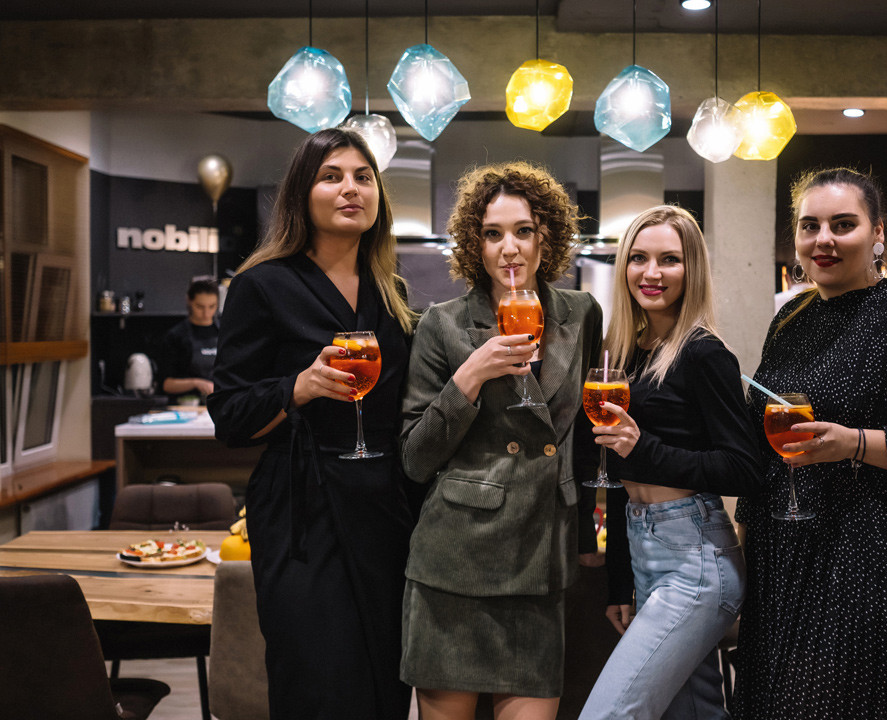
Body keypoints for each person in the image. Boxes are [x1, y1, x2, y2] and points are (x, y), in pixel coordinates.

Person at [732, 167, 887, 719]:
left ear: (877, 233)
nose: (823, 240)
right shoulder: (790, 320)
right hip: (784, 557)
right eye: (810, 226)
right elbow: (762, 444)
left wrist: (856, 443)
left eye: (843, 224)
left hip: (874, 561)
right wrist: (743, 541)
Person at [207, 128, 415, 720]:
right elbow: (229, 416)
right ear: (302, 193)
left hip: (386, 510)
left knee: (385, 682)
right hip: (303, 509)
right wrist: (298, 387)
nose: (351, 189)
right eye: (331, 176)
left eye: (363, 177)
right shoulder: (261, 285)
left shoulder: (392, 291)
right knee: (319, 682)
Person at [399, 161, 603, 720]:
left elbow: (585, 440)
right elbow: (415, 458)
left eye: (523, 231)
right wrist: (471, 374)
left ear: (546, 238)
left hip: (541, 562)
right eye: (493, 234)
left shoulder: (582, 314)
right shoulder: (441, 324)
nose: (509, 248)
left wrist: (585, 532)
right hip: (454, 566)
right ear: (475, 244)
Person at [579, 205, 763, 720]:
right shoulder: (624, 353)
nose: (651, 273)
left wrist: (644, 450)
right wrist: (621, 581)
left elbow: (744, 469)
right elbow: (621, 481)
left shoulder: (705, 353)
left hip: (696, 559)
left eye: (669, 260)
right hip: (645, 550)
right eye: (638, 258)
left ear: (692, 269)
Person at [158, 278, 219, 401]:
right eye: (200, 307)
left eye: (212, 307)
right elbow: (166, 384)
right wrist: (196, 383)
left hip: (218, 404)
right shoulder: (176, 336)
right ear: (189, 301)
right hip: (185, 405)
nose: (206, 313)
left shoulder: (225, 333)